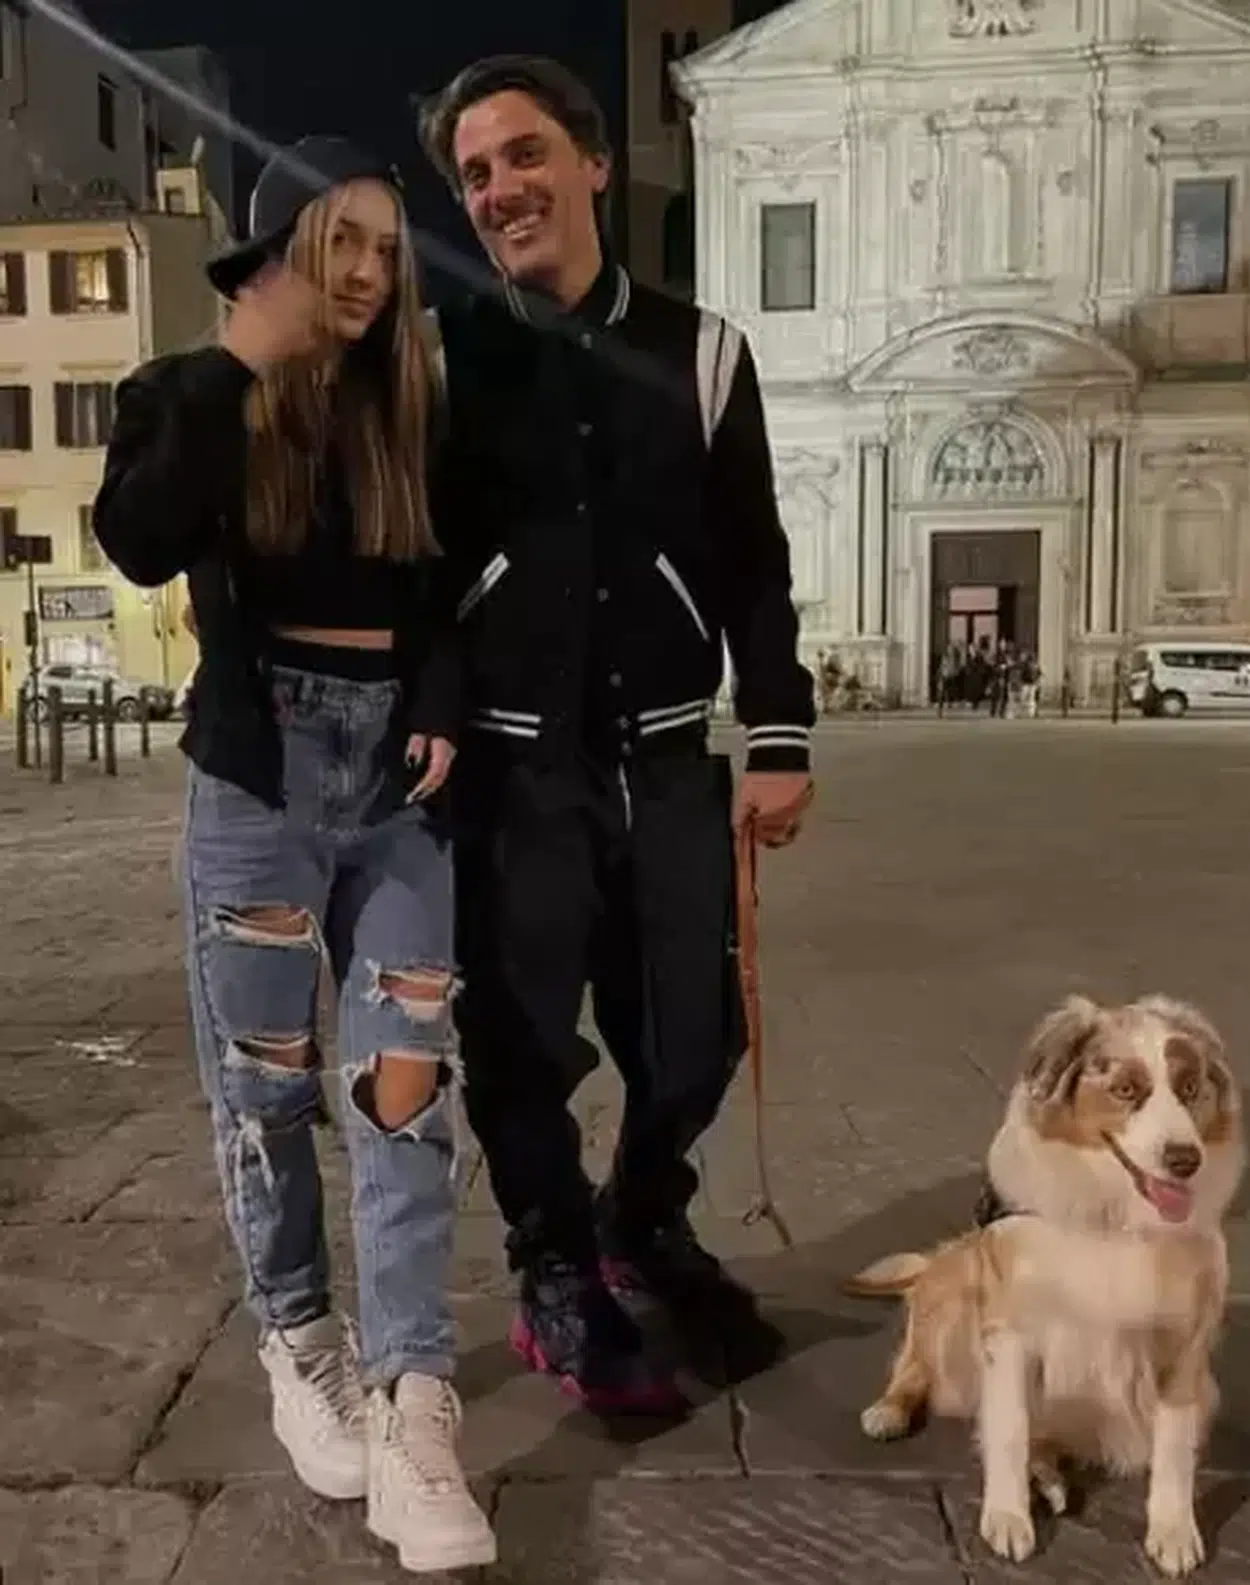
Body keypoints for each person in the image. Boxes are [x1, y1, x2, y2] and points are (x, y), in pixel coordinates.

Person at [92, 136, 495, 1575]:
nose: (373, 272)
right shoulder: (187, 395)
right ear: (281, 250)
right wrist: (240, 358)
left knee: (404, 1092)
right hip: (260, 778)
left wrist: (438, 696)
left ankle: (413, 1398)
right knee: (264, 1093)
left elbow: (444, 592)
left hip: (401, 786)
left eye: (389, 248)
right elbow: (139, 540)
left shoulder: (407, 409)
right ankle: (300, 1342)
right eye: (346, 243)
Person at [419, 57, 816, 1411]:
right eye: (475, 174)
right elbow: (416, 563)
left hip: (669, 759)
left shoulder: (703, 354)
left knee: (696, 1036)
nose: (500, 189)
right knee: (521, 1041)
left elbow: (755, 558)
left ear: (594, 164)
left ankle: (642, 1217)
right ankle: (552, 1260)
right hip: (514, 768)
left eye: (524, 154)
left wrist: (779, 731)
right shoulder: (443, 359)